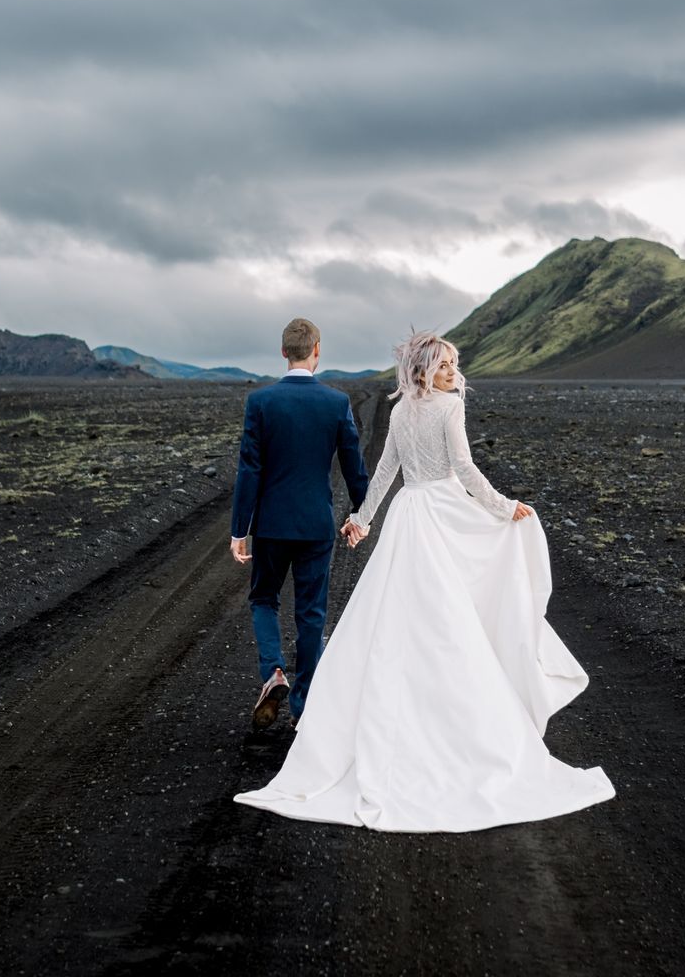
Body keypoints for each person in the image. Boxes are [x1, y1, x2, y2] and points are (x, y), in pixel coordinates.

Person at [233, 331, 615, 831]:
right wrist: (504, 507)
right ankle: (452, 725)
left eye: (454, 363)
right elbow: (461, 467)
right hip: (441, 512)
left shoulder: (402, 411)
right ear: (423, 369)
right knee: (451, 616)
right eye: (443, 364)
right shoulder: (448, 408)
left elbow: (389, 471)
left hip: (411, 515)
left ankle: (392, 716)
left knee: (405, 619)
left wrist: (366, 519)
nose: (453, 371)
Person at [230, 317, 371, 729]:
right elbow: (353, 467)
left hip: (271, 525)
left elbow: (249, 471)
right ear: (317, 350)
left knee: (263, 599)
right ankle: (305, 709)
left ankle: (274, 672)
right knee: (311, 614)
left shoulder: (260, 402)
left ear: (283, 353)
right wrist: (360, 516)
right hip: (315, 526)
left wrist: (240, 530)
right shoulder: (336, 403)